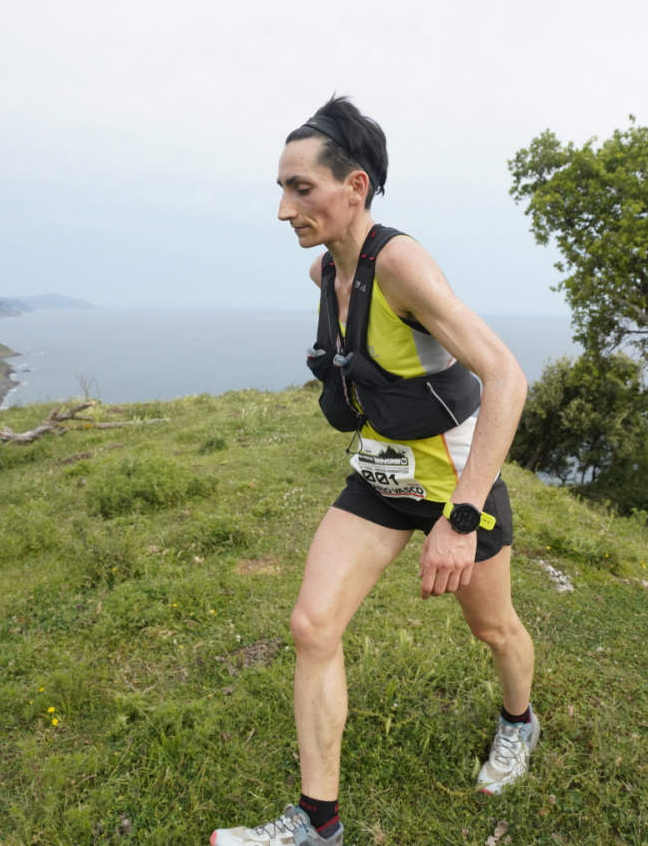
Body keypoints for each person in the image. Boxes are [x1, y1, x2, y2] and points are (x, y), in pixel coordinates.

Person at [211, 97, 537, 846]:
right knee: (311, 625)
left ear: (353, 187)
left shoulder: (401, 265)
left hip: (454, 482)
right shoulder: (326, 272)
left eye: (301, 188)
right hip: (380, 476)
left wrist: (460, 520)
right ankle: (317, 822)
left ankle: (519, 721)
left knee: (492, 629)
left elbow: (506, 377)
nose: (284, 208)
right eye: (281, 188)